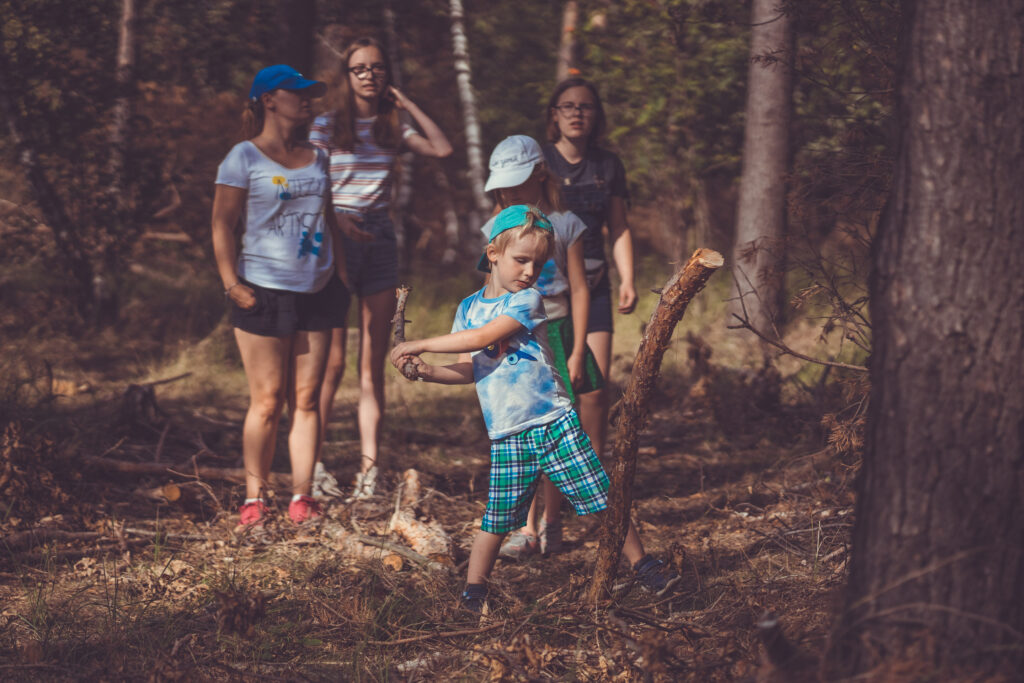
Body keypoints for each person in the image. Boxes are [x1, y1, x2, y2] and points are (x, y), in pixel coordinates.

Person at [391, 205, 679, 612]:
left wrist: (421, 343)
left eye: (538, 263)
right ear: (493, 252)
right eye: (520, 259)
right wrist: (424, 371)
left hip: (553, 421)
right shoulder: (467, 308)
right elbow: (467, 370)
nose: (529, 271)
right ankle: (475, 593)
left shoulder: (528, 300)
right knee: (496, 518)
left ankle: (644, 566)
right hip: (507, 433)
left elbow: (486, 337)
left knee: (603, 497)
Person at [310, 37, 452, 500]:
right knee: (330, 364)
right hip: (337, 239)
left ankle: (369, 471)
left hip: (380, 241)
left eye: (377, 68)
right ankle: (312, 464)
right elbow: (307, 182)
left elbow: (442, 148)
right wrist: (335, 217)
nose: (369, 75)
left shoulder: (394, 128)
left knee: (371, 363)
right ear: (346, 76)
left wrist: (406, 102)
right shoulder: (327, 125)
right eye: (359, 69)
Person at [211, 65, 350, 527]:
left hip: (319, 289)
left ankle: (302, 497)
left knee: (306, 400)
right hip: (263, 291)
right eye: (297, 93)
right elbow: (222, 225)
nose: (306, 100)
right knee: (267, 400)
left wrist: (342, 273)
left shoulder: (318, 157)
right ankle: (255, 497)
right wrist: (232, 283)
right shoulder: (243, 158)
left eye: (310, 94)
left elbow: (326, 218)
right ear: (269, 100)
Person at [476, 135, 602, 561]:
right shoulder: (496, 229)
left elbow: (580, 288)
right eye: (503, 184)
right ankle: (526, 528)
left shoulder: (566, 224)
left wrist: (577, 349)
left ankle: (553, 519)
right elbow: (488, 286)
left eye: (517, 181)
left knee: (558, 428)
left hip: (558, 330)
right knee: (527, 428)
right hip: (514, 335)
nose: (509, 191)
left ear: (540, 173)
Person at [542, 77, 637, 465]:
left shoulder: (608, 164)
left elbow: (618, 227)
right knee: (554, 389)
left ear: (596, 115)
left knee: (594, 389)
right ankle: (552, 479)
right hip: (548, 289)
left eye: (585, 106)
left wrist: (628, 277)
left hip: (594, 286)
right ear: (555, 114)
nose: (577, 113)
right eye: (568, 106)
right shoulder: (541, 161)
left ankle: (595, 470)